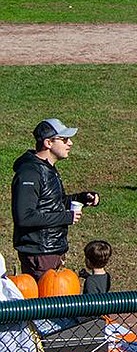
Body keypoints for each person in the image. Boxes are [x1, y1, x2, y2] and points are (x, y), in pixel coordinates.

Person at [11, 119, 100, 280]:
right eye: (64, 139)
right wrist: (66, 217)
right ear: (48, 143)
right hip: (40, 254)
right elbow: (24, 217)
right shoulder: (30, 173)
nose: (70, 143)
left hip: (51, 250)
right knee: (45, 302)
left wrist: (81, 198)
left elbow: (51, 204)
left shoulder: (47, 168)